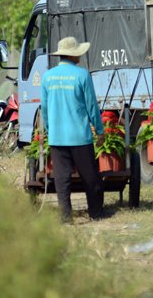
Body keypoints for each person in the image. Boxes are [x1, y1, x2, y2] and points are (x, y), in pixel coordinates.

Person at [41, 36, 105, 222]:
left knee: (62, 180)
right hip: (80, 137)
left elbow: (45, 109)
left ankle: (65, 217)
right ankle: (95, 212)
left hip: (57, 137)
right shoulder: (82, 75)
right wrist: (99, 131)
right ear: (74, 55)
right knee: (90, 178)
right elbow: (91, 106)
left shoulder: (47, 77)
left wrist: (49, 129)